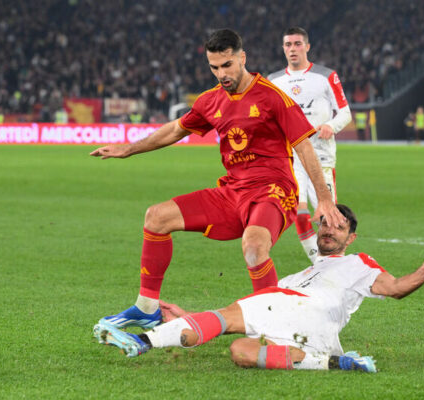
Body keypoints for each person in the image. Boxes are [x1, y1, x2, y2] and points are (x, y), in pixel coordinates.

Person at [90, 29, 344, 329]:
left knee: (253, 246)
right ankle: (146, 309)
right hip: (233, 191)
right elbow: (174, 130)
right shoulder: (210, 101)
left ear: (242, 57)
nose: (221, 73)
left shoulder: (273, 97)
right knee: (156, 217)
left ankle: (275, 324)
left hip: (272, 191)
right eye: (214, 67)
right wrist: (129, 149)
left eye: (227, 65)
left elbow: (303, 145)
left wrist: (324, 198)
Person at [93, 204, 424, 373]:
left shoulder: (358, 263)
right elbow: (245, 321)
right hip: (310, 330)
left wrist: (422, 272)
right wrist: (186, 318)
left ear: (351, 237)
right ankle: (334, 362)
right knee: (241, 351)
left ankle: (142, 342)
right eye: (324, 224)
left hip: (307, 308)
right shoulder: (296, 277)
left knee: (231, 315)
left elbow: (394, 288)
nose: (328, 231)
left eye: (338, 228)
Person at [268, 27, 352, 263]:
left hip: (321, 155)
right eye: (288, 44)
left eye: (297, 44)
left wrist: (330, 126)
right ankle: (320, 264)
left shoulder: (326, 76)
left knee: (331, 217)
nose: (292, 49)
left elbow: (345, 113)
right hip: (291, 157)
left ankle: (338, 262)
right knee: (299, 211)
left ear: (307, 46)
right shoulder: (274, 81)